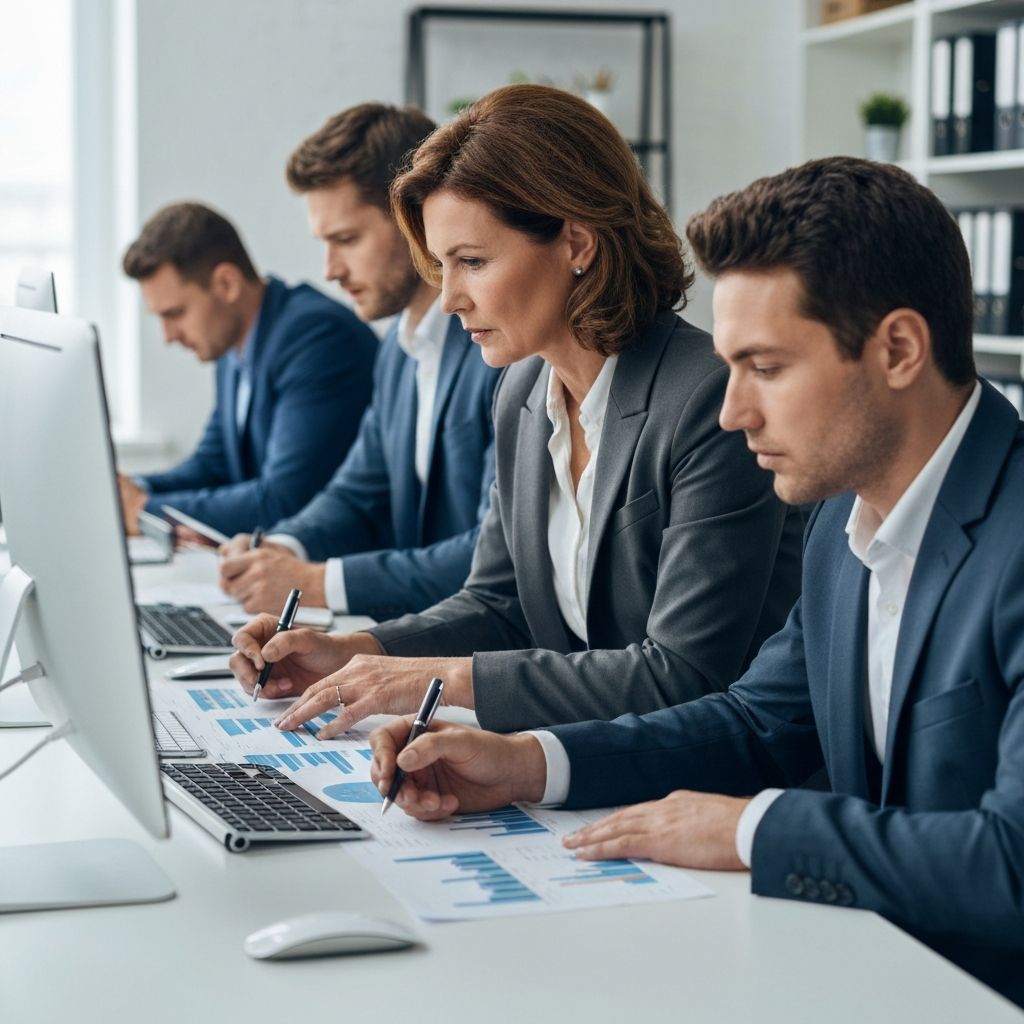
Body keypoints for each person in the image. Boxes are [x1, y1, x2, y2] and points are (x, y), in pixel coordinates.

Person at [365, 157, 1024, 1007]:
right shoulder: (844, 519)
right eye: (729, 364)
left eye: (767, 367)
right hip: (875, 970)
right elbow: (757, 722)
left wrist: (753, 826)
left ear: (898, 348)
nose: (731, 411)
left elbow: (1010, 863)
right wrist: (529, 765)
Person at [230, 84, 802, 734]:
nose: (449, 299)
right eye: (442, 266)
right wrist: (355, 653)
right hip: (588, 757)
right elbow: (500, 604)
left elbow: (681, 674)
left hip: (706, 784)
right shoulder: (524, 390)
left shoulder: (705, 399)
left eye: (472, 262)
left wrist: (435, 679)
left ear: (577, 244)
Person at [217, 104, 500, 621]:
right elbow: (357, 492)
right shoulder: (397, 350)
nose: (329, 270)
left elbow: (490, 556)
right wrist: (283, 550)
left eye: (346, 240)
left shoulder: (500, 349)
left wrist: (312, 583)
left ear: (415, 219)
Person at [118, 202, 377, 538]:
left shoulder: (316, 337)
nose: (168, 336)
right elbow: (214, 465)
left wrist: (142, 511)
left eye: (175, 313)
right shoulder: (233, 345)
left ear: (226, 284)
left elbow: (284, 500)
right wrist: (132, 489)